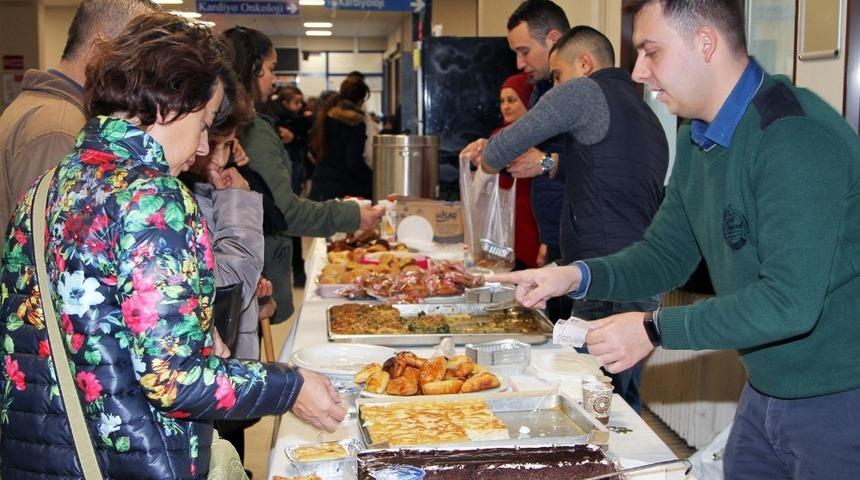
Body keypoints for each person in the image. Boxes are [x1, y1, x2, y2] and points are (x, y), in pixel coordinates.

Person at [490, 1, 860, 477]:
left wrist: (653, 328)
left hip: (839, 396)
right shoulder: (698, 138)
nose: (639, 72)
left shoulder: (791, 137)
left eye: (651, 51)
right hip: (767, 388)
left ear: (705, 42)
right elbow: (665, 256)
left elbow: (789, 302)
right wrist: (574, 275)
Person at [0, 13, 345, 479]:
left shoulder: (54, 181)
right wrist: (290, 385)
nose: (204, 146)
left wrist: (196, 328)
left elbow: (91, 322)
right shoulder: (151, 196)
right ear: (169, 107)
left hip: (44, 453)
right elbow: (173, 379)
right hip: (126, 457)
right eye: (203, 123)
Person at [471, 26, 668, 413]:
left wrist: (487, 156)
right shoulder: (644, 113)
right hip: (639, 271)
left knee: (589, 400)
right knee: (615, 400)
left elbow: (511, 140)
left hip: (605, 276)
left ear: (584, 64)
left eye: (558, 76)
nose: (555, 86)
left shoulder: (585, 90)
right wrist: (549, 164)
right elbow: (606, 172)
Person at [222, 26, 384, 324]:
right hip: (253, 271)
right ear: (254, 69)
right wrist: (352, 215)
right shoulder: (252, 131)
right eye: (271, 69)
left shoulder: (242, 127)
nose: (273, 78)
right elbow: (283, 211)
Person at [0, 0, 159, 226]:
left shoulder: (45, 109)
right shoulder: (60, 129)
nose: (142, 74)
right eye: (134, 58)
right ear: (99, 49)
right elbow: (54, 246)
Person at [461, 0, 572, 322]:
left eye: (524, 51)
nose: (520, 63)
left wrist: (550, 163)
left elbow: (599, 167)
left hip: (587, 251)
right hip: (557, 242)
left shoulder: (584, 94)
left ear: (553, 39)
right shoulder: (542, 90)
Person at [493, 72, 541, 269]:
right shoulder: (498, 135)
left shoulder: (539, 138)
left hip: (531, 226)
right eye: (502, 101)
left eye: (512, 100)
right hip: (504, 226)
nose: (505, 106)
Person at [309, 77, 374, 201]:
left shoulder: (326, 117)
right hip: (342, 190)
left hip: (320, 185)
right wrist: (373, 178)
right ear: (361, 101)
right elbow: (353, 162)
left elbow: (312, 149)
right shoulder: (355, 123)